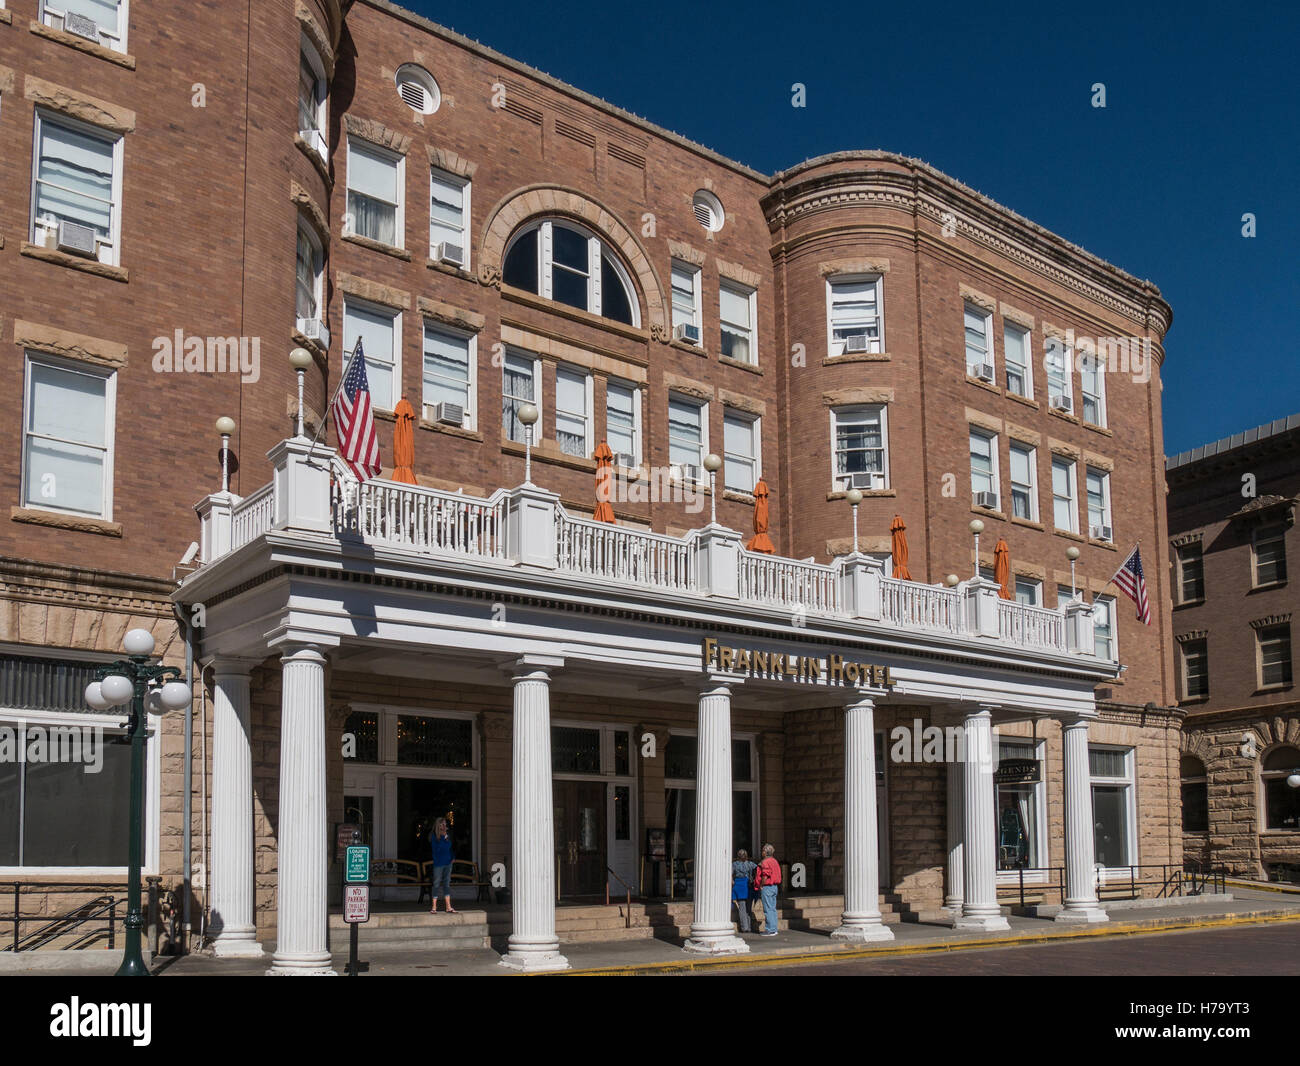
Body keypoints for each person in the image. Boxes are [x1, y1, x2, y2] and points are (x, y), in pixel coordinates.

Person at [753, 843, 781, 937]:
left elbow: (765, 875)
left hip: (767, 887)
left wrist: (761, 885)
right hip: (774, 887)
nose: (762, 852)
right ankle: (774, 928)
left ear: (765, 852)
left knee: (768, 909)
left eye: (763, 851)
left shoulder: (765, 862)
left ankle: (769, 929)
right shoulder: (775, 861)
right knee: (772, 908)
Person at [429, 817, 456, 914]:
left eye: (445, 824)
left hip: (448, 863)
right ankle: (434, 907)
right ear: (438, 826)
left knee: (446, 884)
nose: (444, 826)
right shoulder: (434, 836)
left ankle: (448, 907)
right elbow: (437, 849)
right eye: (442, 824)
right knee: (436, 883)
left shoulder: (447, 835)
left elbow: (450, 847)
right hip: (439, 863)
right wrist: (443, 838)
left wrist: (453, 857)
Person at [731, 849, 757, 933]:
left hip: (739, 886)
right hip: (748, 886)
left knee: (742, 907)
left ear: (738, 856)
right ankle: (749, 927)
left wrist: (732, 881)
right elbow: (758, 869)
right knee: (748, 908)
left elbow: (730, 874)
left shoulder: (734, 864)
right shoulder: (750, 864)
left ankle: (744, 927)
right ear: (746, 856)